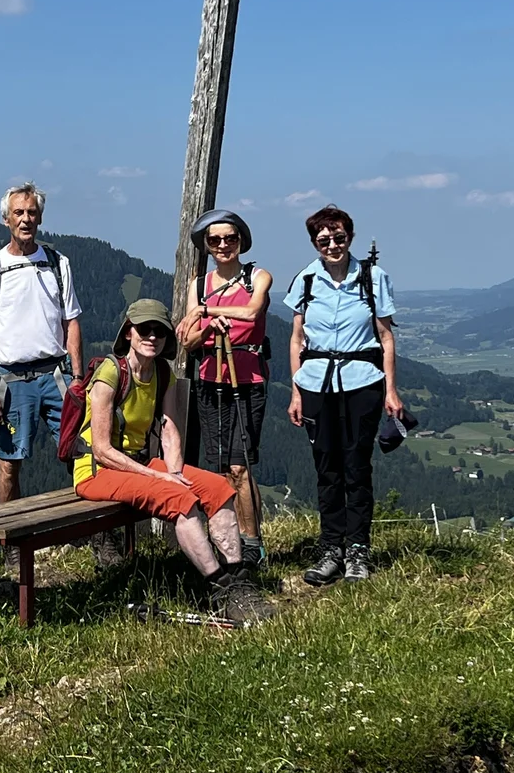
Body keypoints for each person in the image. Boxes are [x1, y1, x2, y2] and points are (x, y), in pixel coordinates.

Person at [72, 299, 272, 625]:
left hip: (139, 463)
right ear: (128, 333)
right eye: (144, 329)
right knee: (178, 498)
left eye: (160, 331)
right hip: (97, 472)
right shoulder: (109, 373)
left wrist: (174, 472)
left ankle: (238, 579)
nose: (152, 336)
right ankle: (219, 589)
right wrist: (162, 479)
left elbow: (169, 429)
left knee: (218, 488)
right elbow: (102, 450)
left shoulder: (162, 373)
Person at [286, 204, 402, 586]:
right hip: (316, 384)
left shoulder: (373, 277)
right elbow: (297, 339)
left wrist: (391, 390)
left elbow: (385, 336)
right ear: (314, 243)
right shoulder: (305, 280)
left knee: (356, 467)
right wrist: (296, 391)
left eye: (339, 237)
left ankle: (357, 551)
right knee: (326, 469)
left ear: (349, 237)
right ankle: (330, 549)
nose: (332, 245)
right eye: (324, 239)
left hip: (362, 382)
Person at [0, 182, 82, 502]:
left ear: (40, 218)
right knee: (9, 464)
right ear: (6, 220)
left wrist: (77, 378)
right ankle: (11, 546)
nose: (26, 219)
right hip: (10, 379)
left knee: (82, 454)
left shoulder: (58, 264)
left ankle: (95, 538)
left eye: (32, 212)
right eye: (18, 213)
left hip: (56, 376)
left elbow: (71, 321)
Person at [177, 208, 272, 569]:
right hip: (211, 377)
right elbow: (187, 340)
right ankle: (230, 540)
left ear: (241, 241)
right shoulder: (198, 283)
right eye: (215, 240)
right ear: (207, 245)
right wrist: (205, 326)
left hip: (247, 379)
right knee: (221, 468)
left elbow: (251, 313)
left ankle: (251, 543)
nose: (223, 245)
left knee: (240, 464)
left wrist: (206, 311)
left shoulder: (257, 276)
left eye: (230, 239)